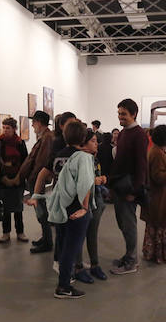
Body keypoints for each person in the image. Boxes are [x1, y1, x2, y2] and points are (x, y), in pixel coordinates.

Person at [45, 120, 95, 299]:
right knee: (71, 249)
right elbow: (85, 184)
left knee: (63, 244)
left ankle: (65, 281)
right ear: (83, 137)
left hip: (60, 206)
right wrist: (85, 208)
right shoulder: (83, 157)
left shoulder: (58, 156)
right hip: (75, 208)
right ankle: (64, 286)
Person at [27, 112, 78, 264]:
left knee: (64, 226)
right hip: (63, 191)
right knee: (62, 226)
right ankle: (62, 261)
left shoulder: (50, 139)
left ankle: (65, 259)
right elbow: (46, 167)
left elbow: (43, 165)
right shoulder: (56, 143)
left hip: (68, 192)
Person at [108, 98, 148, 275]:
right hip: (119, 186)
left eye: (123, 114)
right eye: (119, 113)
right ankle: (128, 255)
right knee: (123, 224)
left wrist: (135, 191)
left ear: (134, 114)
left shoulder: (139, 134)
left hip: (128, 188)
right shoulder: (123, 133)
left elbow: (141, 164)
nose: (120, 117)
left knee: (129, 224)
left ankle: (131, 261)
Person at [142, 124, 166, 264]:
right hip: (159, 196)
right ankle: (157, 253)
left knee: (157, 224)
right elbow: (157, 176)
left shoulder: (158, 151)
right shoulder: (157, 153)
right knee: (158, 223)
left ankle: (154, 252)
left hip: (161, 195)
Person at [73, 129, 107, 283]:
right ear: (83, 144)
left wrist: (101, 179)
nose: (96, 144)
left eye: (96, 141)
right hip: (82, 202)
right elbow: (77, 181)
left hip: (96, 200)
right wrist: (94, 181)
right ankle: (78, 267)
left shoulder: (94, 159)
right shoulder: (79, 159)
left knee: (92, 234)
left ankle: (95, 264)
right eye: (92, 141)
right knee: (79, 235)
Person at [17, 111, 54, 253]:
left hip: (36, 180)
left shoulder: (47, 138)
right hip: (35, 179)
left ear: (39, 122)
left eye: (33, 122)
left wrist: (33, 177)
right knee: (40, 210)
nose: (32, 125)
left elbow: (41, 162)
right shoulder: (45, 137)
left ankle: (47, 242)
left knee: (41, 212)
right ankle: (46, 238)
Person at [0, 117, 29, 243]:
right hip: (4, 179)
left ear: (14, 129)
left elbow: (25, 161)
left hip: (18, 179)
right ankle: (6, 233)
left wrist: (19, 177)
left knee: (18, 207)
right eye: (4, 128)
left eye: (8, 128)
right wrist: (3, 178)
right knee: (6, 208)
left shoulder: (20, 143)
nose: (5, 130)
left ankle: (20, 232)